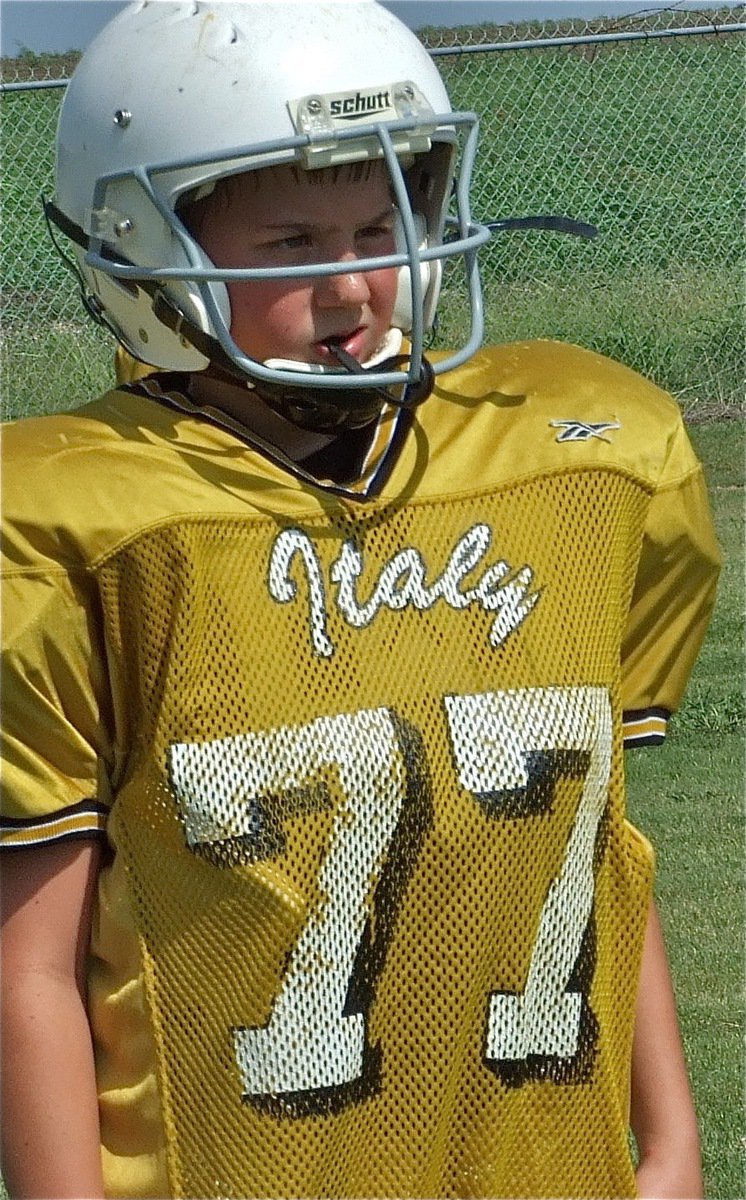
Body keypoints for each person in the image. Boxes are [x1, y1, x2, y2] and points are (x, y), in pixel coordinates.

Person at [1, 3, 720, 1198]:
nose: (353, 284)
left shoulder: (576, 460)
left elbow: (593, 852)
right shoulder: (74, 523)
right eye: (290, 241)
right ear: (141, 249)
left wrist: (670, 1142)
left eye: (381, 227)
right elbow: (27, 969)